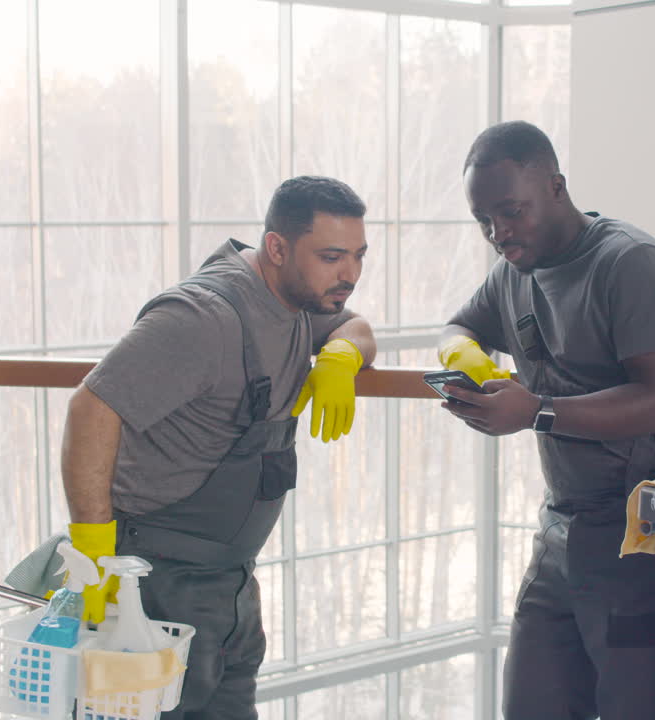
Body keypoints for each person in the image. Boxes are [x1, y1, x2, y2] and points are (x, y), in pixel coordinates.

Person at [61, 176, 376, 719]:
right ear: (276, 248)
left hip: (228, 584)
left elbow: (358, 325)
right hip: (155, 586)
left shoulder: (298, 298)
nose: (349, 274)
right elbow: (92, 407)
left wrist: (340, 357)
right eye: (331, 256)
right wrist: (94, 550)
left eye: (358, 256)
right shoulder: (202, 317)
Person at [436, 121, 655, 720]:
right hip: (563, 528)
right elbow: (458, 325)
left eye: (511, 212)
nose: (498, 233)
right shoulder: (513, 269)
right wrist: (465, 357)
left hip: (645, 532)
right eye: (483, 221)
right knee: (533, 702)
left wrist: (535, 412)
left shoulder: (632, 264)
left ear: (556, 187)